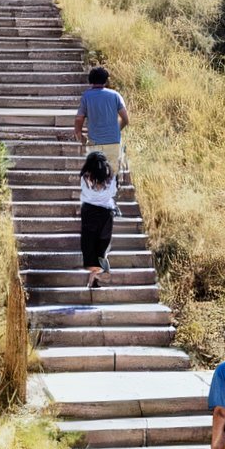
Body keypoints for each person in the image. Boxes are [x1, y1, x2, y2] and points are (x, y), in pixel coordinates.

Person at [75, 66, 129, 176]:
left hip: (95, 142)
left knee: (95, 175)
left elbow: (79, 118)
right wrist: (116, 130)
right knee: (113, 175)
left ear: (90, 80)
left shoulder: (87, 96)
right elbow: (125, 119)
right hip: (113, 141)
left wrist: (78, 133)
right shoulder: (115, 95)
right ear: (106, 80)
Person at [78, 149, 116, 288]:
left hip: (89, 212)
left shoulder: (85, 178)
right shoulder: (110, 178)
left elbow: (84, 190)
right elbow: (113, 192)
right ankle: (97, 274)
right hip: (106, 214)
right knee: (103, 245)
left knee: (89, 245)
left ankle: (94, 275)